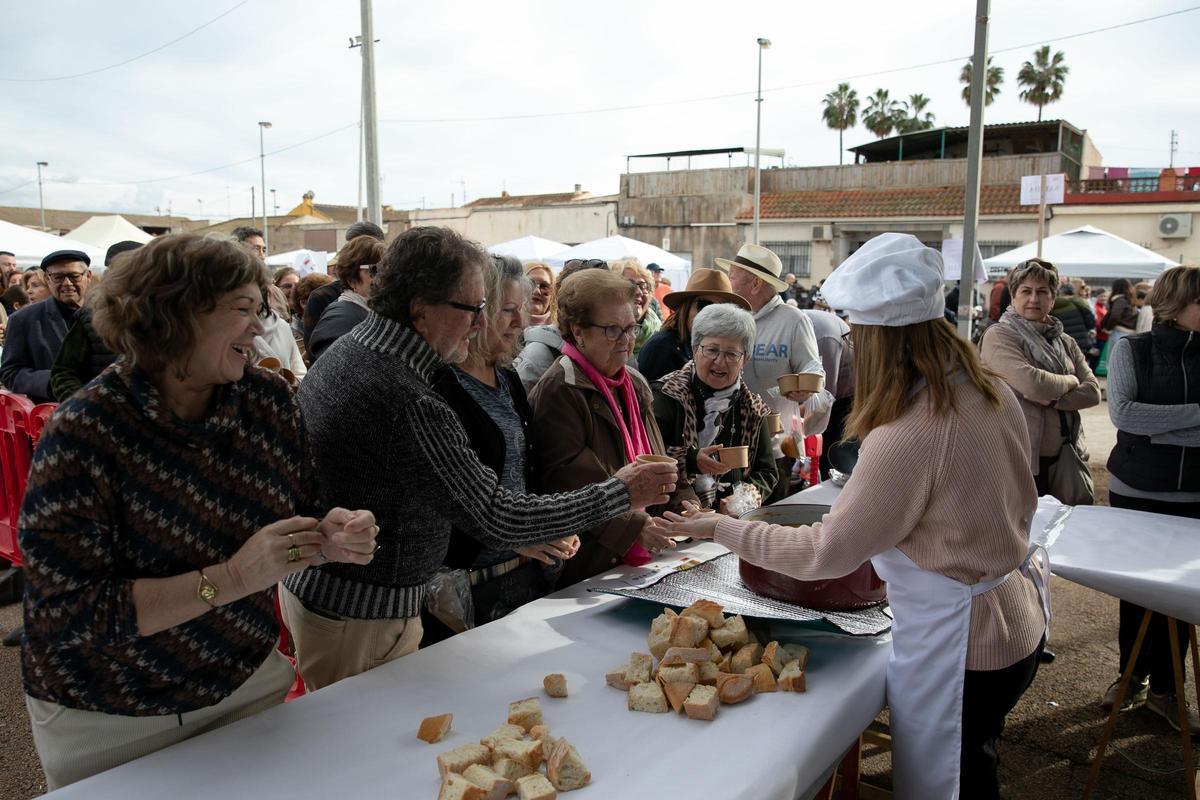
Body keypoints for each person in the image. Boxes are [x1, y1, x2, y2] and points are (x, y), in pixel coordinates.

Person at [657, 232, 1048, 800]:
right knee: (977, 765)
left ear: (882, 340)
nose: (855, 350)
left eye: (859, 336)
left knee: (958, 780)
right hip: (1013, 617)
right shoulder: (990, 388)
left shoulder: (910, 431)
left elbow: (823, 554)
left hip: (966, 641)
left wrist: (720, 527)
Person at [17, 234, 379, 789]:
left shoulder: (269, 404)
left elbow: (302, 510)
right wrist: (234, 577)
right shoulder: (85, 432)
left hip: (245, 684)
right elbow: (66, 612)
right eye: (242, 310)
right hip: (110, 716)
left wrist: (329, 536)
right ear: (172, 314)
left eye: (260, 310)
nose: (259, 328)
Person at [279, 228, 676, 691]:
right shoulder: (405, 394)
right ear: (419, 307)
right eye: (473, 308)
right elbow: (497, 515)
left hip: (340, 600)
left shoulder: (362, 349)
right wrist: (621, 492)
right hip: (360, 614)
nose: (479, 323)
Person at [425, 255, 579, 643]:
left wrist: (551, 527)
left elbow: (529, 469)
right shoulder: (441, 386)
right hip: (466, 587)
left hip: (520, 576)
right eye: (507, 311)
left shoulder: (508, 379)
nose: (520, 322)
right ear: (477, 315)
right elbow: (449, 494)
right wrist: (516, 534)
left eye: (521, 310)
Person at [528, 267, 693, 586]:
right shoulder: (560, 390)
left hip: (645, 560)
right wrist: (634, 526)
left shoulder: (633, 382)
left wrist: (686, 505)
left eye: (631, 328)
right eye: (613, 330)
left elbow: (660, 461)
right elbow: (571, 484)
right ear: (578, 331)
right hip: (592, 565)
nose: (627, 341)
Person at [1102, 265, 1200, 734]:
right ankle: (1130, 677)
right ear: (1175, 305)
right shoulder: (1132, 349)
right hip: (1137, 489)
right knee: (1135, 593)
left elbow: (1143, 421)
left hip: (1193, 492)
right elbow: (1124, 413)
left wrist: (1159, 427)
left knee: (1181, 599)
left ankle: (1167, 690)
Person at [980, 259, 1101, 500]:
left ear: (1052, 299)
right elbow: (1032, 384)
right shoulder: (1000, 336)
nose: (1034, 299)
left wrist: (1056, 401)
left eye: (1042, 292)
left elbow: (1093, 392)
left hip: (1066, 452)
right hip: (1018, 457)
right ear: (1013, 296)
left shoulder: (1064, 340)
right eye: (1026, 291)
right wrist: (1069, 380)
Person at [717, 242, 828, 500]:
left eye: (733, 276)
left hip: (775, 448)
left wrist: (806, 390)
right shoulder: (729, 315)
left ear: (755, 284)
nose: (728, 282)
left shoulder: (793, 320)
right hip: (729, 442)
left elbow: (814, 369)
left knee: (769, 519)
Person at [651, 304, 776, 513]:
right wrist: (690, 460)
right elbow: (646, 455)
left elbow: (767, 471)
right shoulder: (666, 395)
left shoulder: (753, 408)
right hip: (673, 520)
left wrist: (744, 498)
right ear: (695, 349)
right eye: (712, 350)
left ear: (745, 359)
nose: (719, 361)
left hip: (729, 524)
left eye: (731, 354)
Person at [49, 241, 142, 402]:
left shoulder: (169, 317)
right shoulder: (90, 315)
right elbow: (63, 372)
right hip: (106, 417)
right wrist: (84, 405)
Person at [0, 251, 90, 402]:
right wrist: (53, 381)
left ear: (88, 276)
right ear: (48, 279)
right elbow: (10, 373)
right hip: (51, 416)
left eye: (74, 276)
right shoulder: (23, 320)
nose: (67, 283)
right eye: (58, 277)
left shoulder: (108, 315)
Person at [512, 257, 609, 392]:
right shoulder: (535, 356)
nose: (537, 291)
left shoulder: (618, 348)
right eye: (531, 284)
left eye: (544, 286)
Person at [637, 268, 749, 383]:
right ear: (687, 308)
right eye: (705, 306)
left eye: (722, 308)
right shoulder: (661, 348)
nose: (712, 315)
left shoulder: (715, 348)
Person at [303, 221, 386, 345]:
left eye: (386, 267)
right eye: (374, 269)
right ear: (351, 279)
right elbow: (318, 354)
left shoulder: (389, 306)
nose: (382, 275)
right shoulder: (325, 300)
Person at [801, 308, 855, 480]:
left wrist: (801, 434)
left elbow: (825, 397)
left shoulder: (824, 337)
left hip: (846, 393)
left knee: (831, 449)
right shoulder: (788, 328)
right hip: (821, 388)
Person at [614, 259, 661, 365]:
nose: (638, 292)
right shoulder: (602, 334)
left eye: (643, 286)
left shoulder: (663, 339)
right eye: (629, 285)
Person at [1050, 280, 1097, 359]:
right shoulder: (1079, 303)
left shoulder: (1052, 306)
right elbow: (1091, 322)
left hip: (1061, 343)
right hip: (1081, 343)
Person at [524, 261, 555, 327]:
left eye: (544, 286)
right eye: (530, 283)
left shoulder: (562, 331)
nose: (537, 291)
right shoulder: (501, 329)